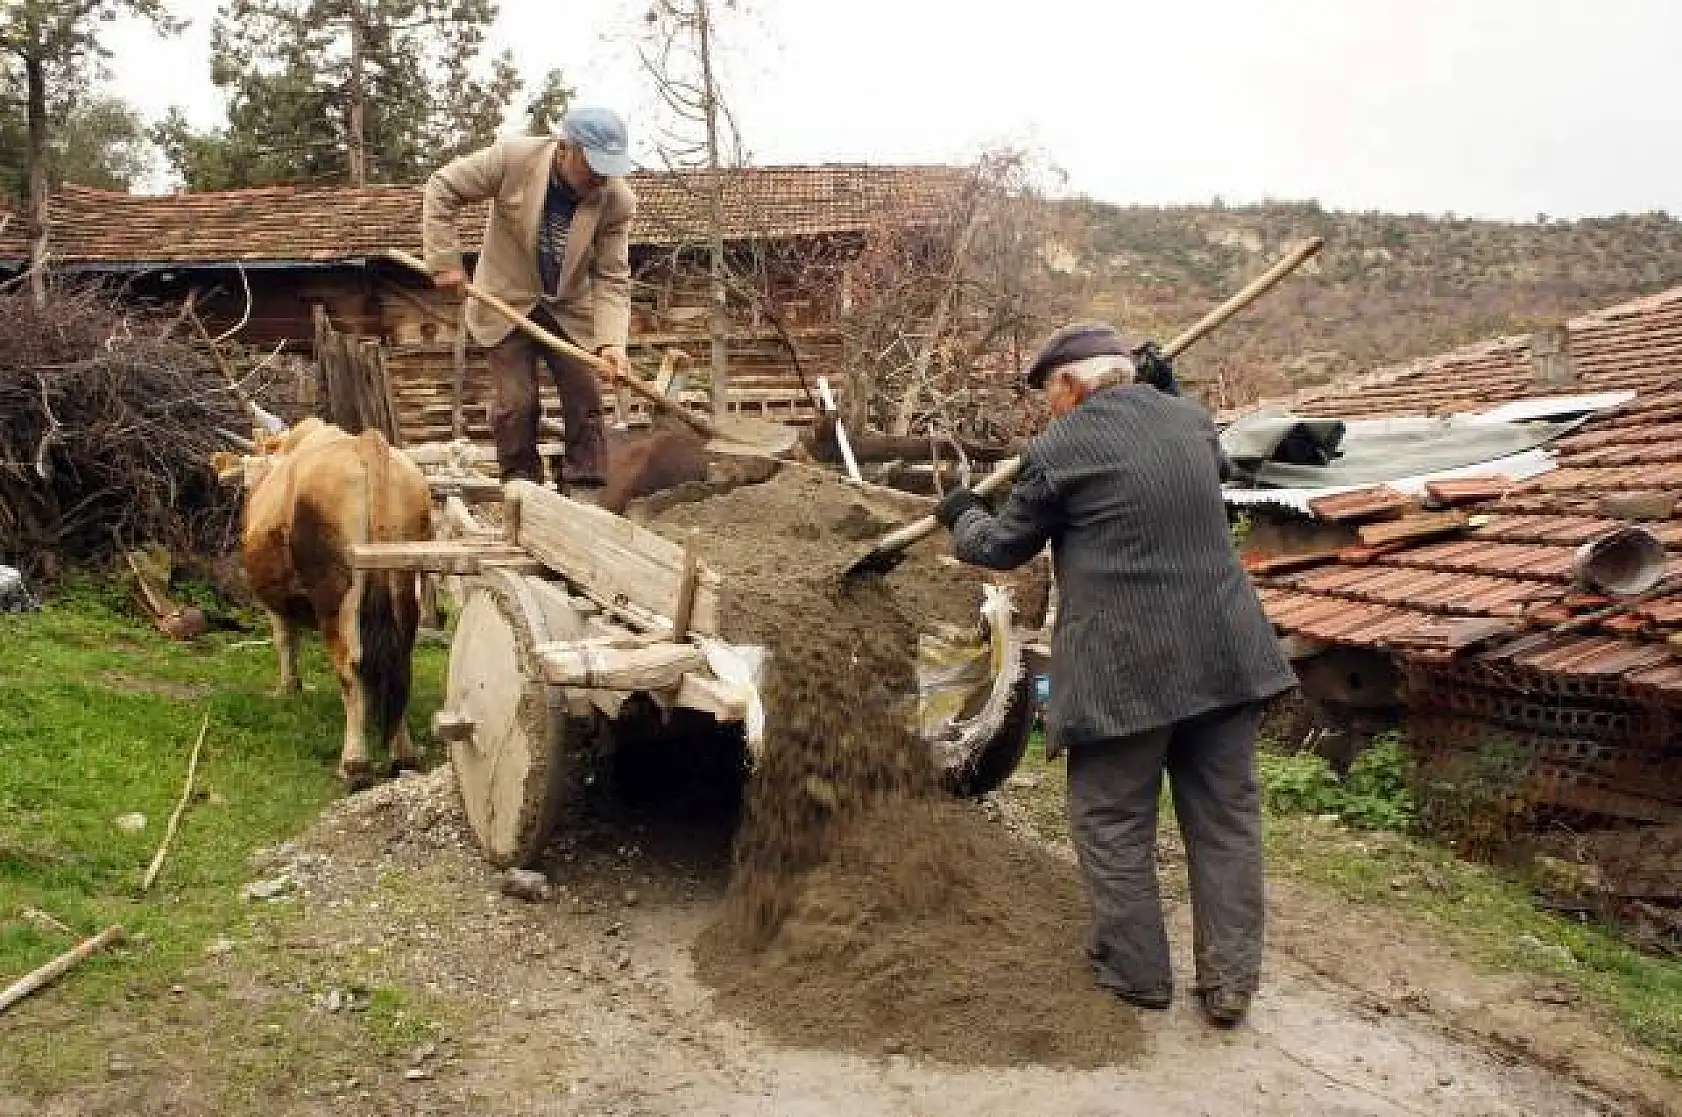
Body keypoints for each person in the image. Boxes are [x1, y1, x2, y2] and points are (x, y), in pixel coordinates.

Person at [933, 321, 1296, 1026]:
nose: (1047, 410)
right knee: (1225, 820)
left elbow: (1002, 548)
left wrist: (963, 512)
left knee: (1111, 816)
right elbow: (1208, 460)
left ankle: (1136, 972)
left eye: (1048, 395)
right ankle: (1229, 983)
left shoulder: (1059, 448)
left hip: (1128, 669)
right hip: (1225, 655)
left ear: (1070, 386)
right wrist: (1169, 387)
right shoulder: (1190, 421)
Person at [422, 106, 637, 504]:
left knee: (586, 395)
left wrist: (612, 345)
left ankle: (585, 489)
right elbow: (442, 187)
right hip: (504, 299)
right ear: (565, 149)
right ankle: (521, 487)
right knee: (517, 403)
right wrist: (444, 262)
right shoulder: (513, 160)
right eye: (593, 167)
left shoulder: (616, 201)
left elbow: (611, 277)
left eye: (609, 169)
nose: (600, 178)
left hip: (568, 308)